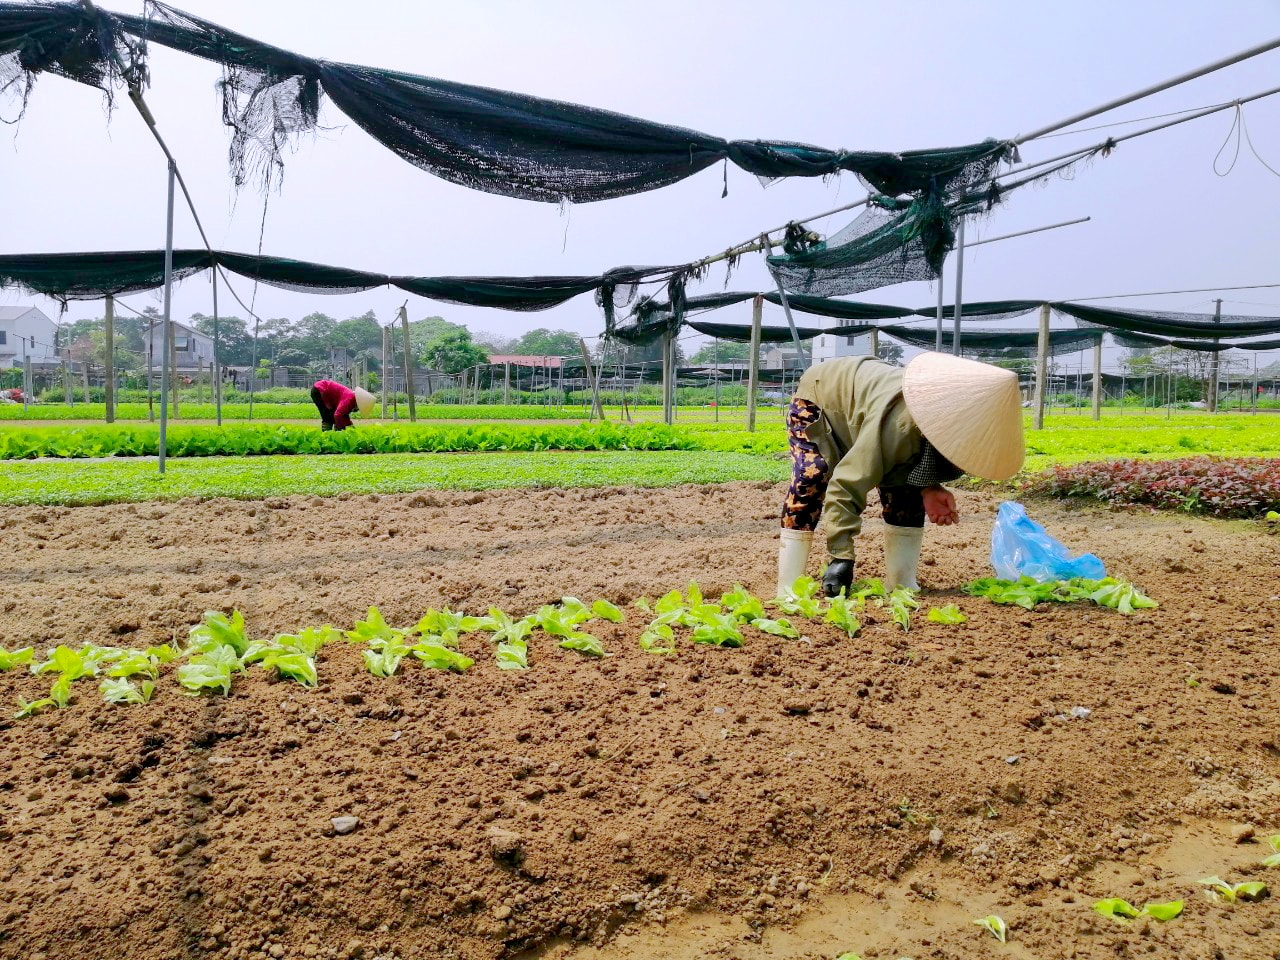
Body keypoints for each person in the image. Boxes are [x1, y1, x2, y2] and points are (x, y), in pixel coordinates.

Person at [777, 352, 1024, 598]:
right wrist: (841, 557)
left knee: (906, 492)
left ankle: (902, 584)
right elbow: (846, 485)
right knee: (812, 477)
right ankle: (789, 588)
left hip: (871, 407)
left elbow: (920, 454)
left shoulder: (939, 421)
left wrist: (928, 487)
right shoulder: (899, 426)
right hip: (821, 399)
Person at [310, 379, 375, 431]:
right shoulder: (349, 399)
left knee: (333, 416)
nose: (357, 410)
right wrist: (340, 427)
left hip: (325, 393)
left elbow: (344, 415)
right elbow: (338, 415)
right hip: (320, 390)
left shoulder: (352, 400)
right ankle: (326, 437)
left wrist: (351, 427)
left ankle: (332, 435)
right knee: (328, 416)